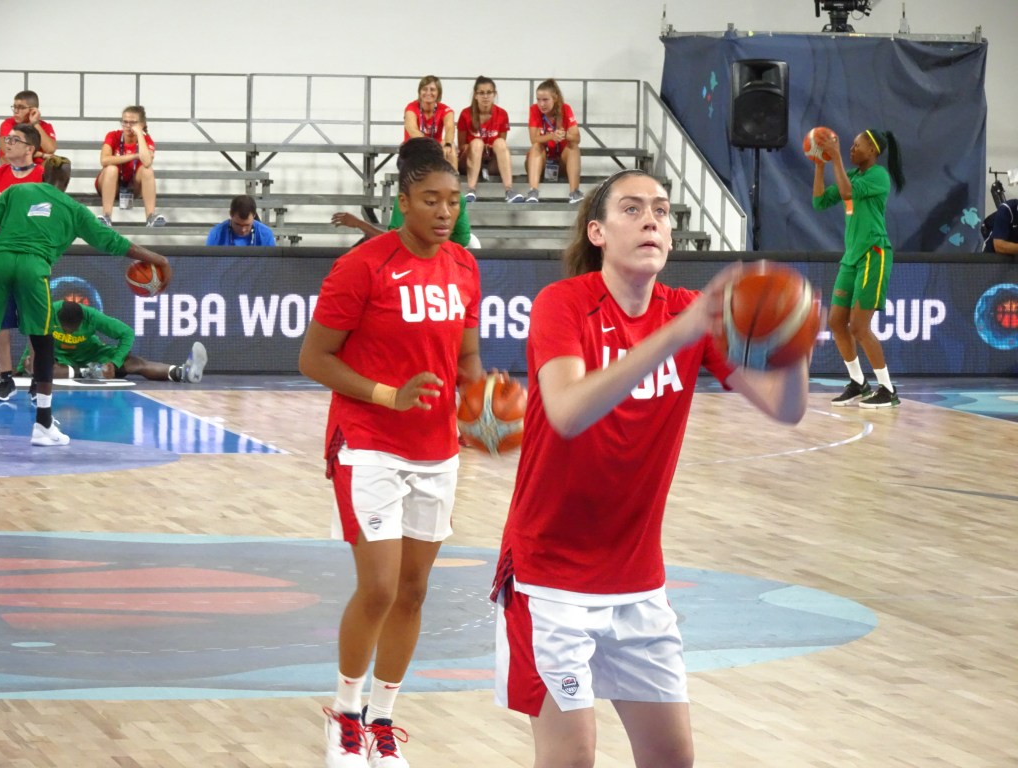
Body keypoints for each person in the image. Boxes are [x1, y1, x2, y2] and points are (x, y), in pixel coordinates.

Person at [489, 169, 808, 768]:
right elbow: (567, 409)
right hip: (549, 580)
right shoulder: (565, 304)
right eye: (632, 209)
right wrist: (677, 335)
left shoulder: (688, 311)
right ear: (598, 232)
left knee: (672, 760)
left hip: (637, 582)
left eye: (661, 211)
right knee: (570, 760)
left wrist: (791, 340)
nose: (651, 220)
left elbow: (784, 408)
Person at [300, 148, 483, 768]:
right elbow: (314, 360)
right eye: (430, 199)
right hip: (368, 442)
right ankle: (344, 714)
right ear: (402, 202)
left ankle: (383, 719)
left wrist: (484, 405)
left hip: (438, 450)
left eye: (453, 201)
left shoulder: (463, 267)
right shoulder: (363, 266)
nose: (443, 211)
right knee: (377, 588)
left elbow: (467, 361)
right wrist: (389, 396)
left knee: (413, 590)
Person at [0, 156, 172, 444]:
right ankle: (42, 424)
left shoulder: (16, 192)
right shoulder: (73, 209)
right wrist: (158, 258)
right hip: (33, 267)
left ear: (41, 175)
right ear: (66, 182)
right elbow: (112, 242)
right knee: (43, 341)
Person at [813, 128, 906, 409]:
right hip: (851, 258)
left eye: (856, 145)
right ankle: (858, 383)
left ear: (873, 151)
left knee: (859, 327)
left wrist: (837, 158)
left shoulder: (879, 177)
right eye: (850, 146)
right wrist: (819, 166)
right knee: (836, 322)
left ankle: (888, 390)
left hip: (873, 254)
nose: (852, 149)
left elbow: (846, 192)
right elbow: (819, 202)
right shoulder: (852, 175)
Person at [331, 137, 474, 249]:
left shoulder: (410, 199)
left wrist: (360, 224)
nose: (445, 214)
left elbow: (398, 242)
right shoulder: (407, 197)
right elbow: (396, 239)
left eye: (452, 203)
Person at [18, 300, 206, 384]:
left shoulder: (92, 316)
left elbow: (127, 334)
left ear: (82, 320)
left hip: (92, 354)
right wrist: (21, 366)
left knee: (135, 363)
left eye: (74, 328)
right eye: (66, 329)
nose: (70, 333)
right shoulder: (48, 313)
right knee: (34, 366)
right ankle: (92, 372)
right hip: (59, 357)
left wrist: (114, 363)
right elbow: (33, 340)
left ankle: (183, 373)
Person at [0, 123, 44, 402]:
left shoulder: (42, 176)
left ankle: (38, 379)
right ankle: (5, 378)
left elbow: (45, 214)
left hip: (30, 257)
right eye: (6, 138)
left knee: (34, 323)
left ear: (30, 149)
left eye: (15, 139)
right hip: (0, 257)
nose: (7, 143)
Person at [95, 105, 165, 228]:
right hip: (110, 184)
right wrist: (134, 156)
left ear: (142, 124)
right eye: (125, 122)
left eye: (133, 123)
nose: (128, 126)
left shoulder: (146, 140)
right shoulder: (113, 136)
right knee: (111, 168)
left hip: (134, 186)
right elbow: (104, 160)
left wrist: (139, 134)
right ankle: (106, 217)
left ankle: (150, 217)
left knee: (147, 170)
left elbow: (147, 162)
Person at [457, 76, 524, 203]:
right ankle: (471, 190)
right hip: (469, 161)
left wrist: (490, 147)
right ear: (475, 95)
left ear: (494, 94)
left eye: (489, 92)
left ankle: (509, 190)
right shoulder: (466, 114)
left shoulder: (502, 114)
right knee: (477, 143)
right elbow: (462, 146)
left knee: (500, 142)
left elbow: (501, 144)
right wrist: (479, 146)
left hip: (491, 162)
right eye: (481, 93)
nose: (485, 96)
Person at [525, 79, 582, 204]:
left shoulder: (565, 109)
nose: (541, 104)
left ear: (555, 98)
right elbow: (533, 138)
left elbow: (577, 138)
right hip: (539, 163)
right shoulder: (534, 109)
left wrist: (565, 135)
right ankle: (533, 191)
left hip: (560, 163)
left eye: (545, 100)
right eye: (538, 100)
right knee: (536, 146)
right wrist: (551, 136)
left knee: (573, 146)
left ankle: (574, 193)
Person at [403, 75, 457, 168]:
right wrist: (433, 145)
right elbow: (412, 130)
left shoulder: (446, 110)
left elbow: (450, 129)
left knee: (450, 146)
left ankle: (454, 179)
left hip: (435, 151)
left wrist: (447, 144)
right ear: (419, 92)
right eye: (424, 89)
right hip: (413, 152)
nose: (428, 92)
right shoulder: (411, 107)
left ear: (438, 93)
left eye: (432, 89)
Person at [0, 90, 56, 165]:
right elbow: (9, 150)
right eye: (14, 107)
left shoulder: (45, 126)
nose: (16, 111)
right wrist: (41, 155)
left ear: (33, 110)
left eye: (21, 107)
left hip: (37, 172)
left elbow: (50, 150)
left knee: (53, 163)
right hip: (13, 169)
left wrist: (35, 123)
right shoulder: (8, 124)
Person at [205, 195, 276, 246]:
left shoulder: (266, 234)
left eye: (247, 225)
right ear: (231, 215)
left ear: (254, 216)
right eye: (238, 224)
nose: (243, 230)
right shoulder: (216, 233)